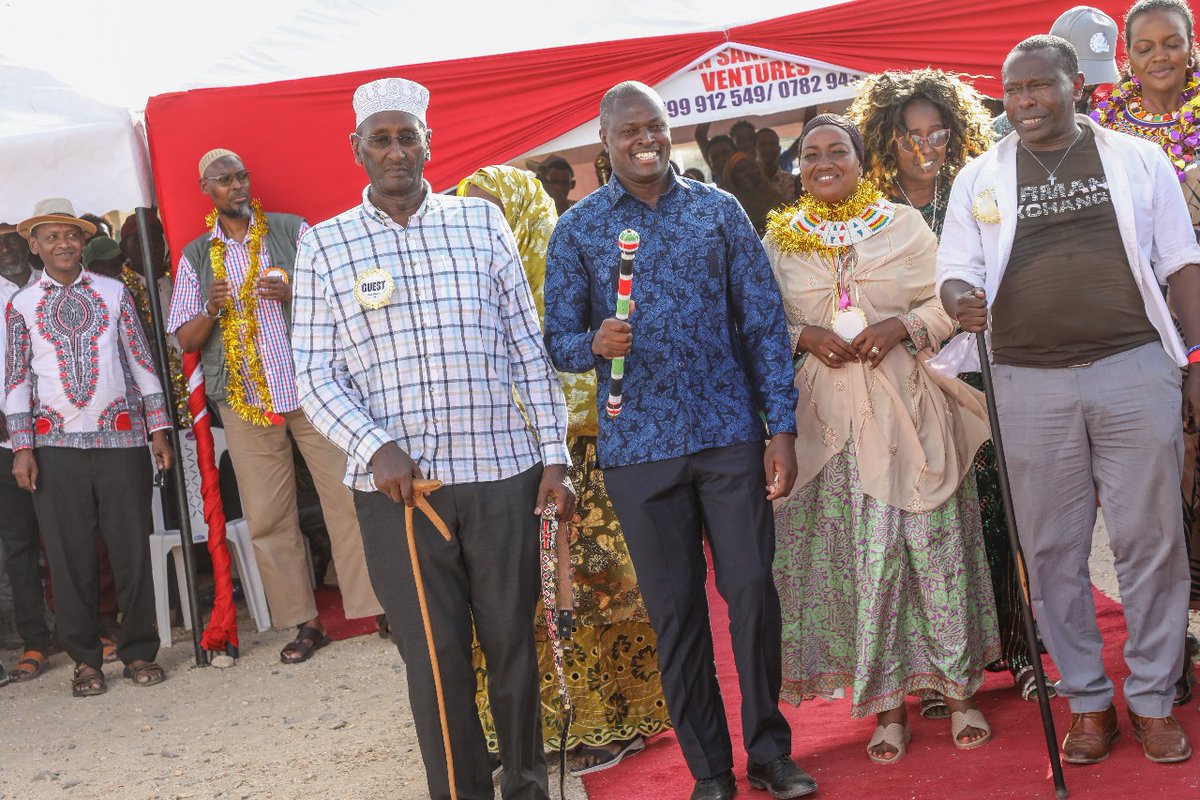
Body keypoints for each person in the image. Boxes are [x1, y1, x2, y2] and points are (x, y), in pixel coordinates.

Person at [291, 77, 575, 800]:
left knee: (513, 643)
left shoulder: (481, 226)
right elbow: (314, 375)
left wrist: (555, 456)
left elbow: (525, 348)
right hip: (401, 494)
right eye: (379, 139)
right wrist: (372, 444)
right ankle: (460, 789)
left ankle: (528, 785)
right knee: (434, 652)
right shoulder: (324, 245)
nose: (394, 150)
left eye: (406, 136)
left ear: (428, 144)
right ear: (356, 149)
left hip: (502, 472)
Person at [545, 80, 816, 800]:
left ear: (671, 133)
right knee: (676, 611)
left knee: (754, 590)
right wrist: (593, 340)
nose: (646, 140)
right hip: (638, 447)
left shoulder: (718, 212)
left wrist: (779, 428)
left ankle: (769, 752)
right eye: (630, 130)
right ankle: (709, 770)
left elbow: (762, 326)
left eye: (656, 127)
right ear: (604, 141)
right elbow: (558, 340)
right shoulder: (578, 230)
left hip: (728, 432)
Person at [938, 35, 1200, 765]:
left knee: (1151, 541)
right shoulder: (979, 177)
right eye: (1011, 89)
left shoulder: (1138, 159)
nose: (1022, 101)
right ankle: (1088, 701)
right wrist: (962, 299)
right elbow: (955, 271)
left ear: (1075, 84)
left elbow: (1182, 261)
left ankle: (1151, 699)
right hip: (1027, 381)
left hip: (1134, 366)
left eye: (1037, 86)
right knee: (1051, 548)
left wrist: (1197, 363)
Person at [765, 113, 998, 765]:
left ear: (862, 160)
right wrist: (804, 336)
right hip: (828, 422)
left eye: (836, 150)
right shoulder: (779, 241)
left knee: (935, 551)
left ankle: (959, 695)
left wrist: (900, 325)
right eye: (810, 155)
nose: (822, 162)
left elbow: (948, 300)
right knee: (868, 566)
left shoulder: (902, 225)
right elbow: (761, 321)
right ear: (800, 168)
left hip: (907, 411)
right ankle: (887, 710)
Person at [457, 165, 671, 775]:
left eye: (493, 209)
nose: (482, 222)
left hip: (584, 455)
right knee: (511, 599)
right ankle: (530, 731)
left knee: (596, 592)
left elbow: (602, 346)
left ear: (520, 212)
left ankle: (613, 724)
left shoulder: (567, 264)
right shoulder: (467, 282)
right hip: (498, 458)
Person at [848, 69, 1046, 718]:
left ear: (956, 134)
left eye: (937, 134)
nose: (925, 148)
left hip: (986, 374)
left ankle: (1020, 650)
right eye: (909, 137)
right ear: (885, 141)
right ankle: (946, 666)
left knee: (1005, 510)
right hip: (910, 388)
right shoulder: (870, 212)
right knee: (936, 528)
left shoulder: (977, 190)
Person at [167, 149, 384, 663]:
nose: (237, 186)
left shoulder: (293, 231)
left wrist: (292, 291)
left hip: (313, 394)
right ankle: (304, 623)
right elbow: (185, 338)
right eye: (224, 180)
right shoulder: (197, 256)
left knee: (350, 503)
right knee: (267, 517)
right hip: (246, 405)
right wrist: (211, 308)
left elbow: (339, 297)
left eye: (241, 176)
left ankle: (375, 608)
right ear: (207, 190)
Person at [6, 198, 173, 697]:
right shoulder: (21, 306)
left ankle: (140, 650)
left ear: (82, 242)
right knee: (67, 554)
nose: (63, 244)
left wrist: (158, 427)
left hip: (121, 437)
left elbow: (141, 362)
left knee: (130, 548)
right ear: (34, 245)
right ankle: (85, 661)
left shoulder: (114, 291)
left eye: (71, 235)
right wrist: (22, 447)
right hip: (53, 445)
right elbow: (15, 380)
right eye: (51, 236)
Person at [1093, 0, 1200, 708]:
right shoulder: (1102, 129)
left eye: (1174, 42)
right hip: (1146, 319)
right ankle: (1176, 635)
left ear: (1192, 45)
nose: (1162, 55)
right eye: (1148, 46)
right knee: (1170, 477)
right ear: (1127, 54)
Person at [0, 221, 52, 684]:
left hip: (58, 433)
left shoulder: (51, 283)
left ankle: (90, 629)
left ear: (26, 242)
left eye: (9, 239)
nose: (3, 250)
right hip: (5, 442)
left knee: (71, 537)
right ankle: (35, 640)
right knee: (18, 544)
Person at [994, 7, 1121, 137]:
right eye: (1076, 73)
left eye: (1097, 73)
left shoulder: (1112, 119)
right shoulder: (1003, 133)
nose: (1088, 86)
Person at [722, 152, 786, 236]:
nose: (748, 172)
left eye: (752, 167)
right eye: (740, 170)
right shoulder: (729, 209)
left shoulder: (775, 198)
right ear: (731, 177)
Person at [756, 127, 798, 203]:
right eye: (763, 144)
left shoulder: (794, 182)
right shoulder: (751, 183)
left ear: (779, 149)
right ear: (755, 149)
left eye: (773, 144)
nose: (768, 148)